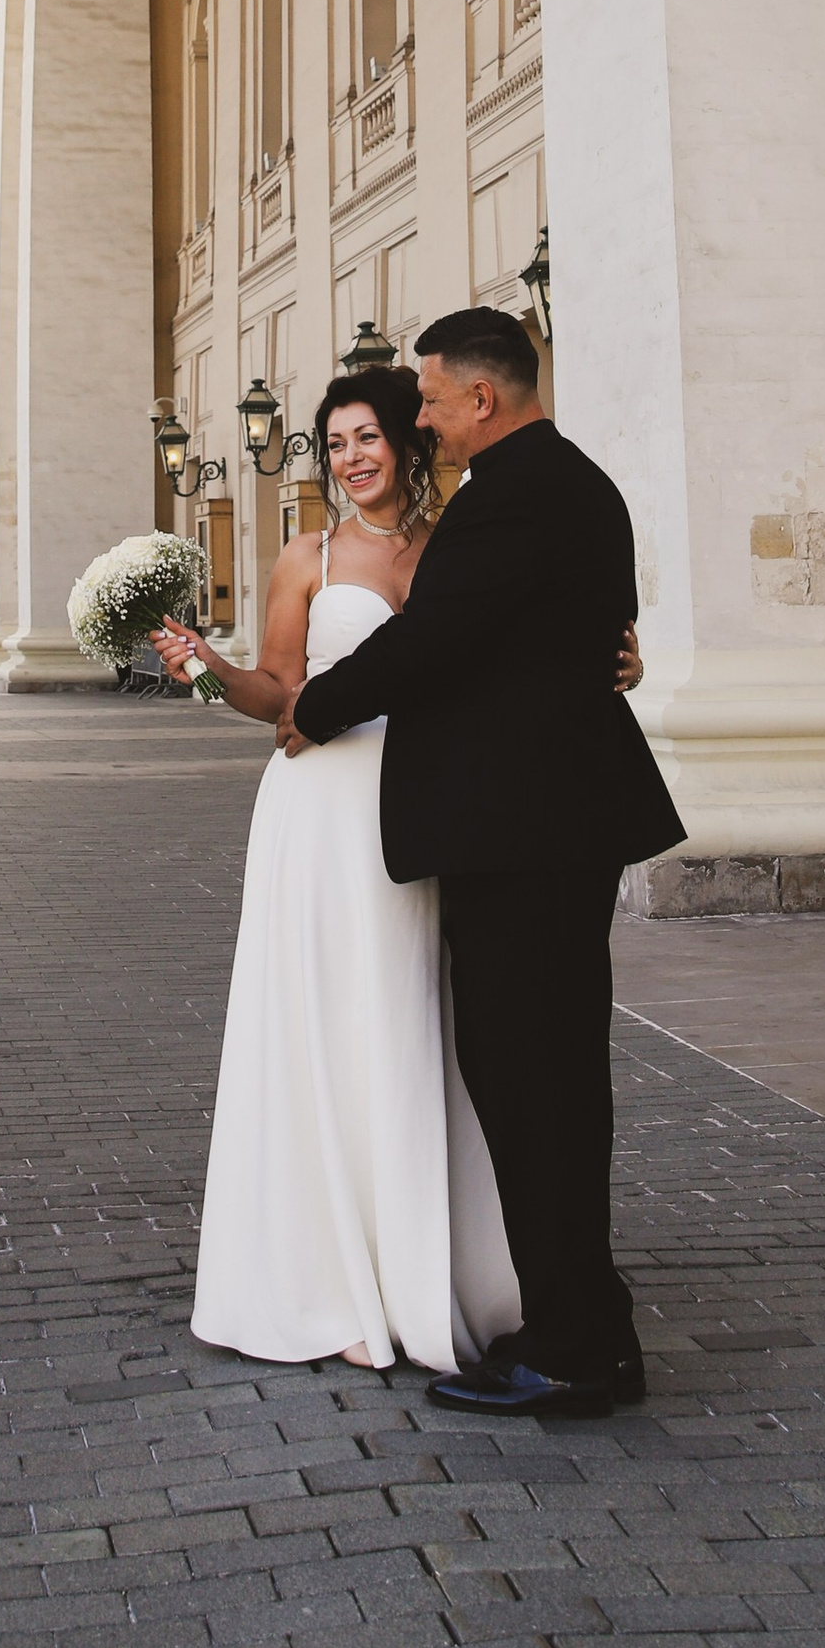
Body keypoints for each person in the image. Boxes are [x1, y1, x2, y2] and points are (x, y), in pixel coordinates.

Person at [279, 307, 680, 1421]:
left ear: (481, 398)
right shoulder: (569, 483)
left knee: (532, 1084)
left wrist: (317, 704)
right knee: (549, 1082)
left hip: (523, 836)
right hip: (544, 829)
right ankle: (588, 1325)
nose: (422, 418)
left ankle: (572, 1351)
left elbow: (435, 638)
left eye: (429, 399)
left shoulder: (516, 492)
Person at [154, 370, 519, 1376]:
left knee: (412, 1018)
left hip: (428, 813)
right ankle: (326, 1280)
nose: (352, 457)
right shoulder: (306, 556)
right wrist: (206, 668)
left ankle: (427, 1269)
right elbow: (278, 691)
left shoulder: (457, 549)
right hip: (322, 815)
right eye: (337, 442)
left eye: (368, 437)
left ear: (408, 439)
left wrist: (616, 661)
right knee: (323, 1024)